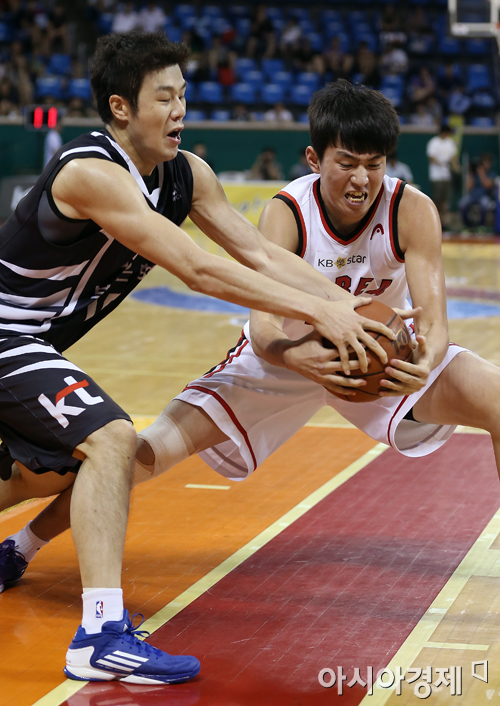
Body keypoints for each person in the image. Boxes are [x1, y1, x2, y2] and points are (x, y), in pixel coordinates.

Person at [7, 81, 500, 667]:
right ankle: (21, 546)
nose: (362, 179)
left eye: (375, 165)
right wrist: (297, 357)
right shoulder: (287, 211)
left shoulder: (412, 209)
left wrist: (419, 363)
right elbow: (263, 331)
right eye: (347, 163)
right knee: (137, 454)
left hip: (376, 358)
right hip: (281, 359)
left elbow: (435, 324)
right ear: (315, 159)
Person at [426, 123, 461, 229]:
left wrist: (456, 167)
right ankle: (436, 220)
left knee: (446, 199)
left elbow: (453, 157)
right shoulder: (434, 142)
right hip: (436, 176)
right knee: (438, 199)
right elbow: (431, 158)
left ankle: (445, 222)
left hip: (447, 176)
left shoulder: (450, 143)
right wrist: (442, 163)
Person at [459, 153, 496, 229]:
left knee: (485, 205)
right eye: (484, 162)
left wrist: (481, 173)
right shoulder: (474, 173)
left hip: (483, 196)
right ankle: (467, 226)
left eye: (487, 162)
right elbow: (469, 186)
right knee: (462, 204)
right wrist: (470, 173)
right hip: (472, 196)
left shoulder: (491, 173)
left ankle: (481, 226)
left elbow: (486, 184)